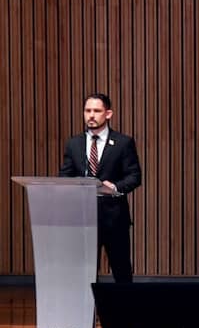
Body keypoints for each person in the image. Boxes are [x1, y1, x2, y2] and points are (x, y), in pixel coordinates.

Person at [59, 93, 142, 283]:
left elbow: (134, 176)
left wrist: (115, 186)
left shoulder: (123, 143)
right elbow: (65, 175)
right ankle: (87, 303)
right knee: (84, 271)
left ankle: (124, 304)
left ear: (108, 114)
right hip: (82, 217)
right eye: (87, 110)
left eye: (96, 111)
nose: (91, 115)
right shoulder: (74, 144)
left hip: (114, 217)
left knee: (121, 270)